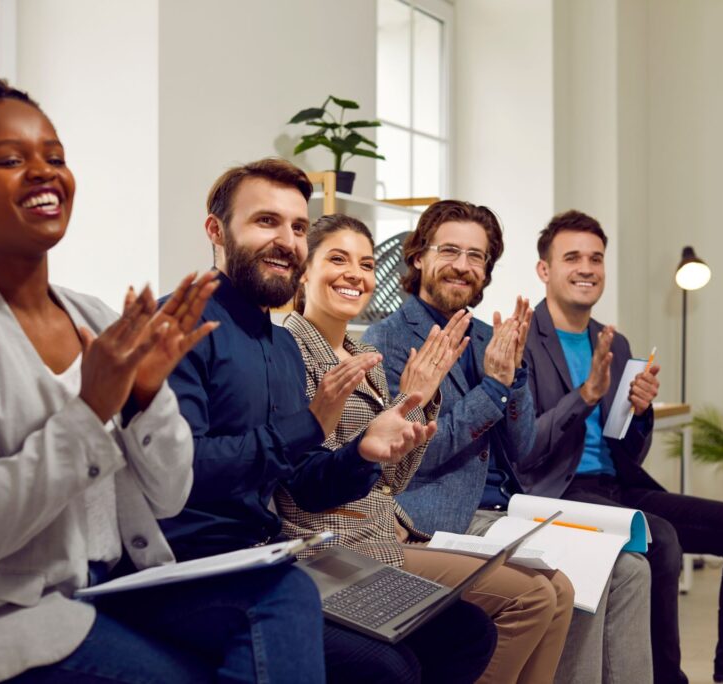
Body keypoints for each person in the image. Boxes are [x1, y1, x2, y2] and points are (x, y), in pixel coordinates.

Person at [0, 75, 325, 684]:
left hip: (109, 587)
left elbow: (170, 493)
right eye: (11, 160)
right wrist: (90, 407)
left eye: (55, 157)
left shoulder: (96, 317)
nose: (44, 172)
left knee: (284, 593)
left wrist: (148, 397)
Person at [161, 161, 497, 683]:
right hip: (199, 565)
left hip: (273, 554)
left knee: (467, 632)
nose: (287, 240)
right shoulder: (183, 324)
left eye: (297, 227)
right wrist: (311, 424)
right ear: (215, 230)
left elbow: (307, 483)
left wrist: (363, 451)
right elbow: (180, 472)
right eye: (266, 222)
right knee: (391, 667)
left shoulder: (278, 346)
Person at [362, 200, 654, 684]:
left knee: (629, 569)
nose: (463, 265)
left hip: (511, 510)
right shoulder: (390, 338)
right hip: (439, 516)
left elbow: (521, 448)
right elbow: (417, 455)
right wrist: (493, 388)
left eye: (477, 256)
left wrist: (512, 377)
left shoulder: (486, 337)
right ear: (418, 257)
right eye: (450, 250)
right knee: (586, 575)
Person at [278, 213, 574, 683]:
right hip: (346, 541)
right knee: (530, 597)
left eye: (366, 263)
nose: (355, 273)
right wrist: (438, 398)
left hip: (391, 527)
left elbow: (393, 475)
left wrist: (419, 399)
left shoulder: (363, 358)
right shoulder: (294, 350)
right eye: (338, 259)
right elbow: (313, 478)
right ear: (304, 270)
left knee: (559, 589)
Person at [523, 209, 723, 684]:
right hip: (555, 492)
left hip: (617, 487)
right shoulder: (522, 342)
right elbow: (525, 448)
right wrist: (587, 396)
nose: (586, 268)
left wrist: (639, 413)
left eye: (596, 259)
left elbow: (628, 452)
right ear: (545, 270)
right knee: (660, 540)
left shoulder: (613, 343)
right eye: (572, 257)